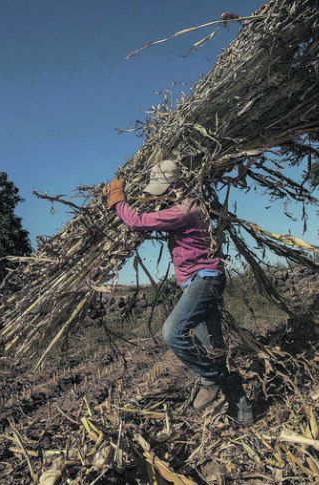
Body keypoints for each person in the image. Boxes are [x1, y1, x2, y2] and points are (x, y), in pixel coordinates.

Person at [106, 159, 253, 425]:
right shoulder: (188, 206)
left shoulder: (185, 210)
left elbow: (137, 221)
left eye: (163, 189)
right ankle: (242, 413)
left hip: (203, 281)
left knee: (172, 332)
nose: (160, 194)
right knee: (213, 350)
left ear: (176, 185)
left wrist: (118, 199)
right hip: (199, 282)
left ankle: (209, 380)